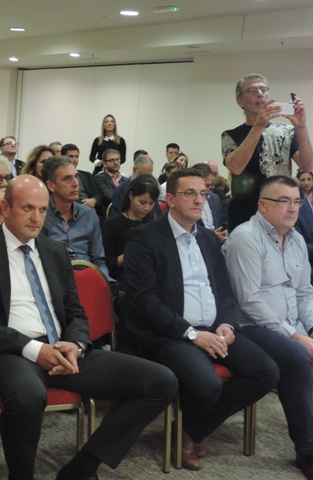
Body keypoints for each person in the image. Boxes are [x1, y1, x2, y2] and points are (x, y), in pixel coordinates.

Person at [0, 174, 178, 480]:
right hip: (8, 351)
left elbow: (76, 313)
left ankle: (81, 468)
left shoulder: (54, 250)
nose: (36, 217)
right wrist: (35, 350)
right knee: (28, 397)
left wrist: (76, 344)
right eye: (28, 208)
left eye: (42, 209)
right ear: (5, 208)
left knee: (161, 381)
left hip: (63, 349)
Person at [122, 168, 278, 471]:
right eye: (190, 193)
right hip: (169, 334)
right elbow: (143, 301)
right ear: (170, 199)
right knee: (207, 384)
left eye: (203, 193)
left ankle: (192, 430)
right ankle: (192, 431)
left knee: (266, 372)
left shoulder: (207, 238)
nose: (199, 200)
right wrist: (191, 334)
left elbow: (224, 290)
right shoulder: (145, 237)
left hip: (213, 329)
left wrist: (226, 324)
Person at [222, 175, 313, 480]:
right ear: (262, 205)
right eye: (283, 201)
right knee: (296, 357)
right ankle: (308, 450)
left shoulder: (297, 240)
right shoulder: (246, 238)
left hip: (289, 325)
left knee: (299, 350)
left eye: (296, 201)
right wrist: (297, 337)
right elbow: (249, 302)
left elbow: (305, 293)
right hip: (249, 327)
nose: (293, 208)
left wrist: (311, 329)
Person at [222, 73, 313, 231]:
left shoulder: (287, 131)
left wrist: (301, 127)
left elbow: (308, 165)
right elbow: (235, 167)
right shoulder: (230, 135)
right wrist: (258, 126)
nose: (260, 94)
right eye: (252, 90)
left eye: (263, 89)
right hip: (246, 216)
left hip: (282, 215)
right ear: (240, 101)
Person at [40, 156, 111, 279]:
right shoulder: (41, 216)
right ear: (51, 186)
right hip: (57, 279)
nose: (76, 183)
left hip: (88, 277)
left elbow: (99, 260)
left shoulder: (89, 215)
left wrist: (105, 283)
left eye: (76, 176)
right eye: (67, 179)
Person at [101, 175, 159, 287]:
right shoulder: (113, 225)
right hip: (124, 278)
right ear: (131, 195)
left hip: (150, 276)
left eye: (151, 204)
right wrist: (132, 253)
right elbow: (108, 264)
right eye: (142, 202)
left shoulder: (152, 224)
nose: (146, 208)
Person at [61, 143, 102, 212]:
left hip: (90, 210)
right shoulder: (59, 177)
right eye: (71, 156)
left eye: (76, 156)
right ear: (62, 157)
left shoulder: (86, 175)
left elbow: (98, 193)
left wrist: (94, 200)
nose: (74, 160)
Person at [92, 149, 126, 220]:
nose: (116, 163)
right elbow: (109, 195)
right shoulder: (99, 178)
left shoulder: (125, 180)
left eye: (117, 159)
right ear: (104, 163)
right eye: (112, 160)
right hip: (107, 216)